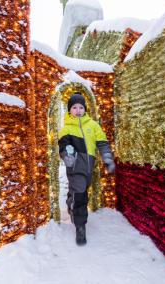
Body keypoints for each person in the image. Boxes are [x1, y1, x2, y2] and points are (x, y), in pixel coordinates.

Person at [58, 93, 115, 246]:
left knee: (81, 191)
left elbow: (102, 143)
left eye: (81, 107)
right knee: (81, 195)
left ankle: (70, 200)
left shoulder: (93, 125)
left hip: (89, 168)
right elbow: (63, 146)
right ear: (70, 110)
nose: (78, 110)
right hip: (75, 168)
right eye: (74, 107)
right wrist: (67, 156)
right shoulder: (66, 129)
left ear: (85, 109)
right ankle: (80, 226)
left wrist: (107, 158)